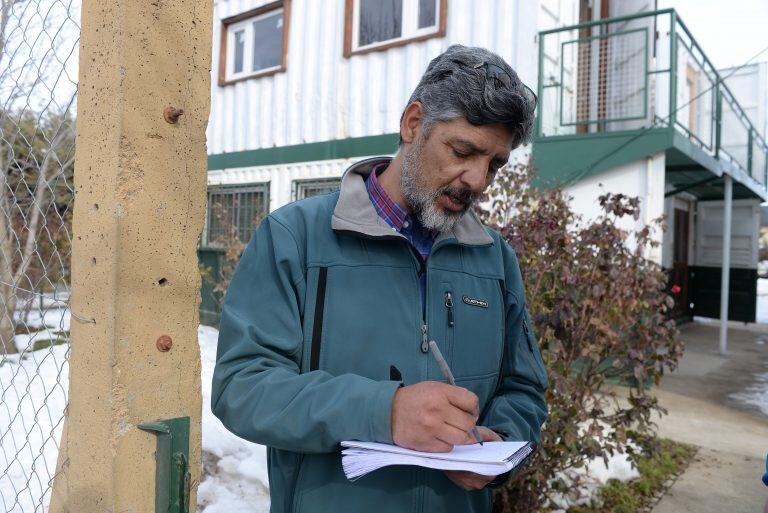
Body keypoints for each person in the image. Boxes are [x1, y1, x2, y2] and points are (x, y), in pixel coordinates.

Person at [211, 44, 548, 513]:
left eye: (494, 163)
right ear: (413, 124)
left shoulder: (496, 260)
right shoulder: (295, 237)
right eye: (463, 151)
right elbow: (242, 388)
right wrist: (382, 412)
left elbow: (524, 389)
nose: (477, 179)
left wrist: (502, 448)